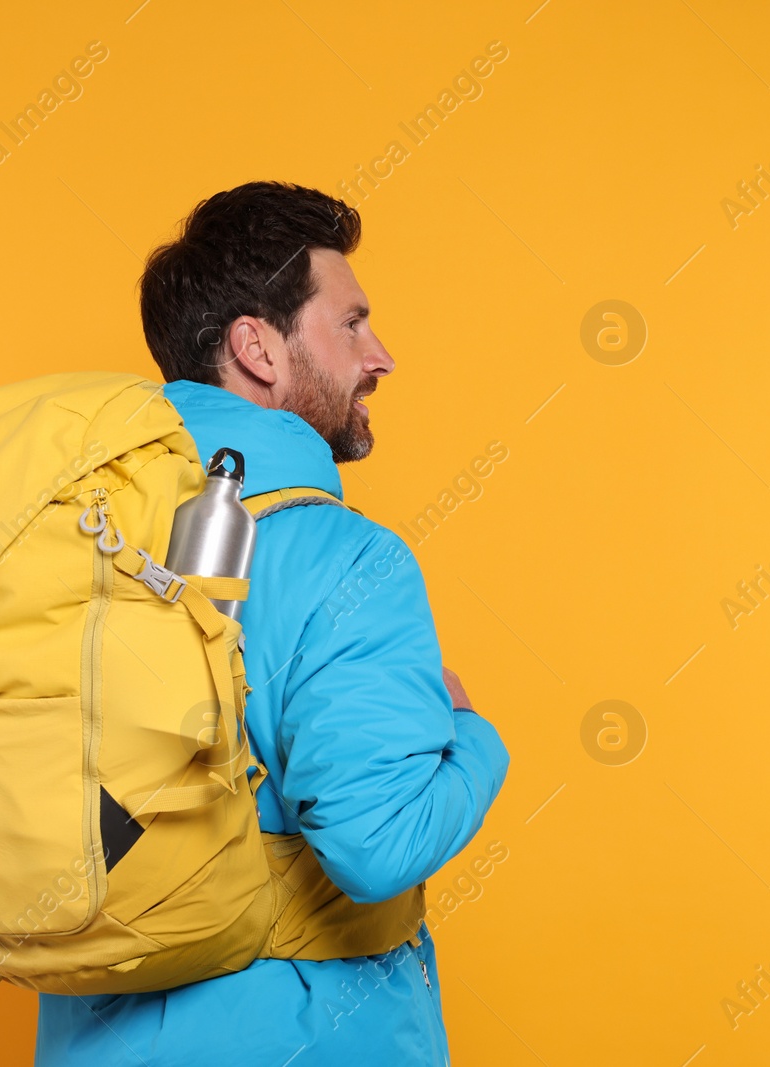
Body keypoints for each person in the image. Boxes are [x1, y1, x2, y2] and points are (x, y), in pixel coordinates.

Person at [34, 182, 510, 1065]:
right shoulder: (346, 558)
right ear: (257, 346)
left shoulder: (57, 542)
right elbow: (378, 847)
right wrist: (475, 737)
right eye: (352, 323)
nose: (382, 356)